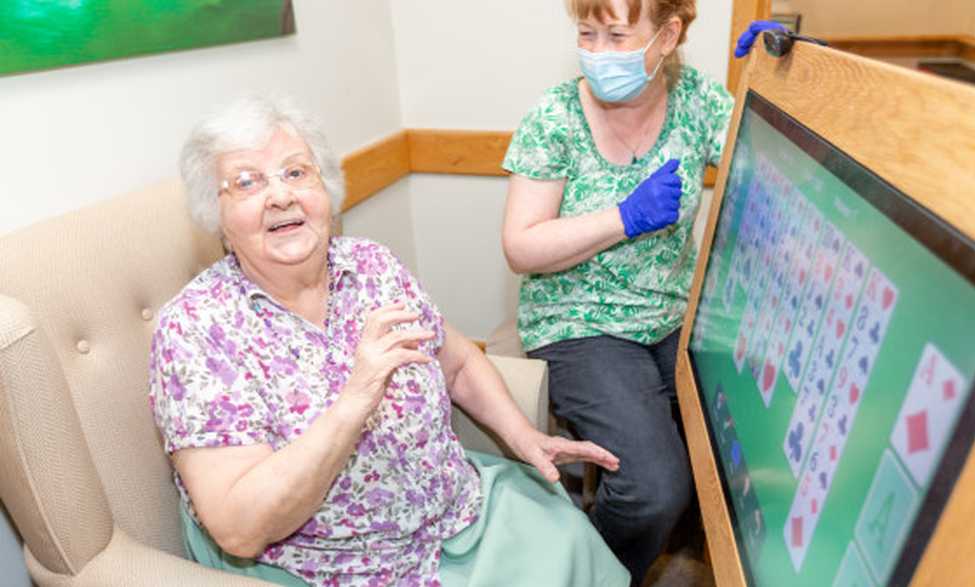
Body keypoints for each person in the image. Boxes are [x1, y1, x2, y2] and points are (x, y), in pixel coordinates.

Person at [148, 95, 630, 587]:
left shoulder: (371, 265)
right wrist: (356, 396)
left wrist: (524, 436)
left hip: (458, 512)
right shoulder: (197, 329)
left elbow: (458, 362)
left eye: (296, 173)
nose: (280, 196)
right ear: (216, 214)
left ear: (326, 189)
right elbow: (239, 529)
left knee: (570, 536)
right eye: (247, 182)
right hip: (337, 568)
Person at [500, 0, 736, 582]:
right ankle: (587, 572)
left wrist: (785, 73)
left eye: (617, 35)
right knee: (654, 487)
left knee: (738, 446)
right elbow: (521, 246)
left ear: (668, 34)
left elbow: (770, 157)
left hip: (674, 314)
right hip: (579, 321)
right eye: (587, 34)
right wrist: (623, 218)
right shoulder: (554, 117)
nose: (598, 53)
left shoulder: (700, 102)